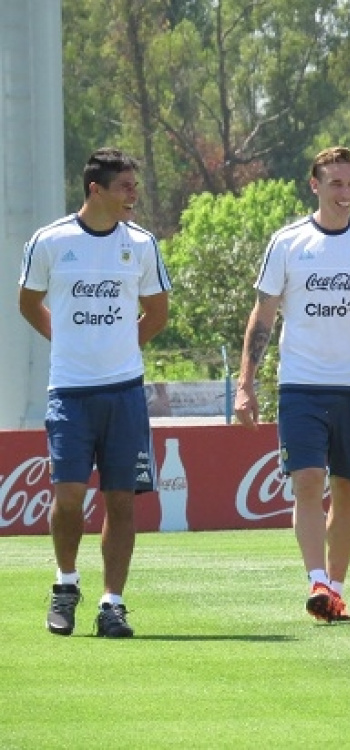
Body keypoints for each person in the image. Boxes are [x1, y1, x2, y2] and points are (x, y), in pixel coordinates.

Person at [234, 146, 350, 624]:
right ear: (315, 185)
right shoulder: (287, 242)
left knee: (347, 490)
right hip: (301, 385)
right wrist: (246, 383)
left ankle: (336, 591)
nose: (346, 193)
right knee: (307, 481)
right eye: (336, 183)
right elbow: (263, 315)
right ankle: (317, 580)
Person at [19, 147, 171, 638]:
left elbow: (158, 313)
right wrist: (66, 342)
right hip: (69, 393)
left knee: (121, 500)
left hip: (124, 393)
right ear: (95, 190)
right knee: (68, 496)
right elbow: (28, 302)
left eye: (134, 186)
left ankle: (112, 604)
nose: (133, 195)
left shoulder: (142, 244)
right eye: (125, 187)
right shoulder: (50, 241)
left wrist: (120, 347)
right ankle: (65, 585)